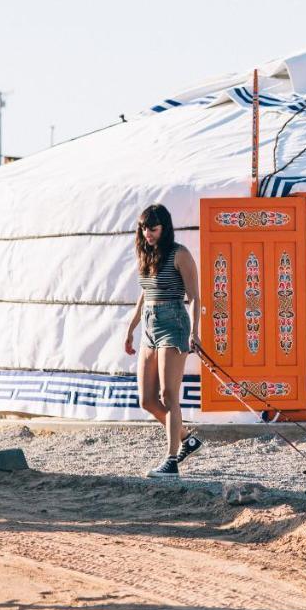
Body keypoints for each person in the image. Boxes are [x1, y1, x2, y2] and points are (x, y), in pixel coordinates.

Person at [125, 203, 204, 478]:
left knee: (168, 395)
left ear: (165, 227)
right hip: (149, 325)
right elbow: (144, 294)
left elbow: (194, 296)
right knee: (146, 399)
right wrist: (131, 328)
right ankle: (186, 438)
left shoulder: (179, 254)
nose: (148, 233)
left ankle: (171, 461)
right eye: (144, 228)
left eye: (153, 228)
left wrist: (195, 331)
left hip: (174, 322)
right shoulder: (146, 255)